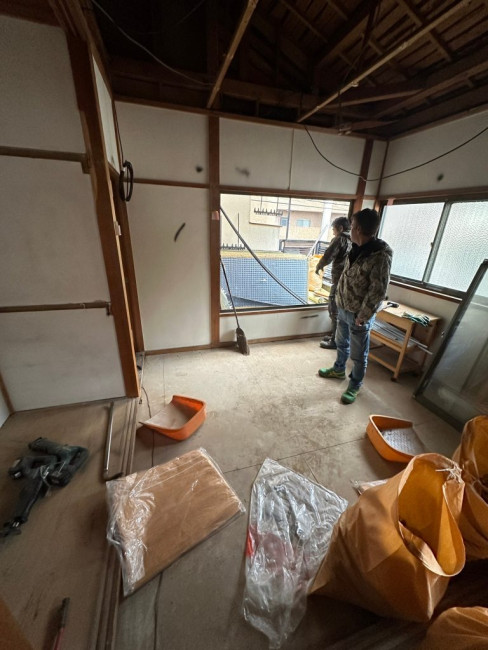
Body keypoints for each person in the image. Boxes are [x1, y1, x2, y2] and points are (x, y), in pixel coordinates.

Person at [318, 208, 392, 405]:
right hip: (343, 306)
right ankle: (338, 369)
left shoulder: (379, 256)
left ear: (358, 228)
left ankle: (355, 384)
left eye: (352, 225)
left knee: (359, 355)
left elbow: (378, 291)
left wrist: (364, 315)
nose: (349, 229)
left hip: (358, 315)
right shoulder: (355, 247)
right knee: (341, 342)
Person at [315, 217, 352, 350]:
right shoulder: (354, 240)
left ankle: (335, 340)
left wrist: (319, 266)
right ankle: (336, 336)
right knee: (342, 310)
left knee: (334, 308)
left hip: (339, 280)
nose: (333, 232)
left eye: (334, 229)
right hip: (349, 281)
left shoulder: (340, 239)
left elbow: (328, 255)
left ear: (340, 228)